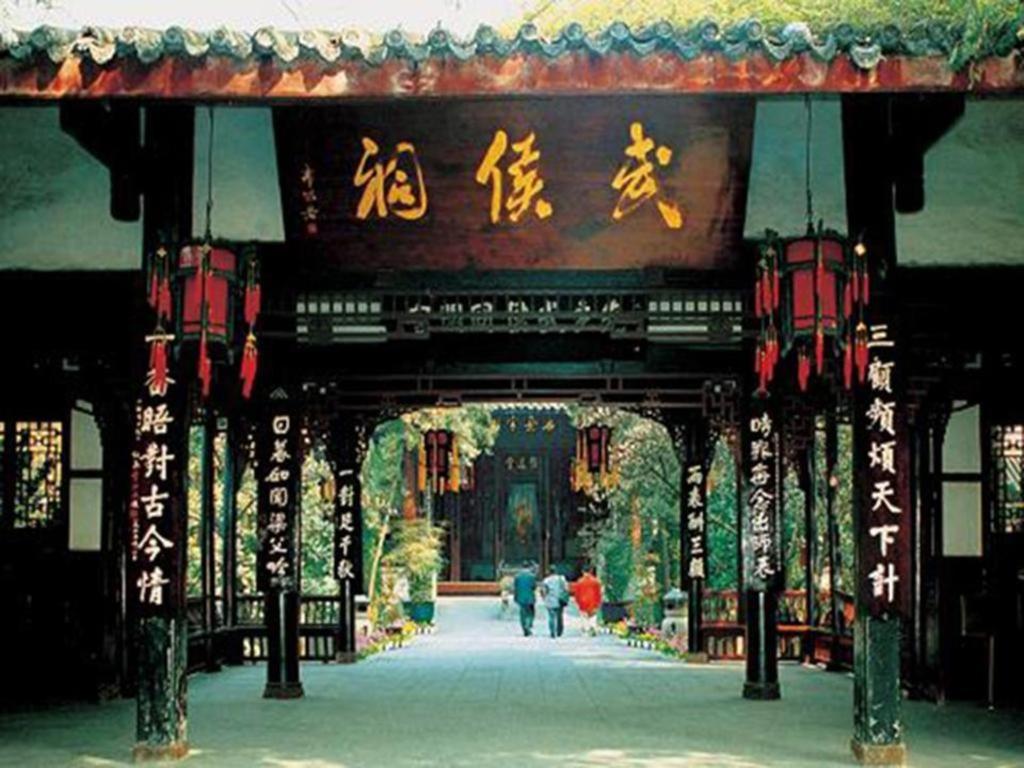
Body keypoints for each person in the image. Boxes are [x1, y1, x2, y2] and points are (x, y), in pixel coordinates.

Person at [572, 567, 603, 635]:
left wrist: (577, 602)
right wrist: (598, 602)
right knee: (593, 616)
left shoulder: (579, 581)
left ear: (583, 572)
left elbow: (577, 594)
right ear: (591, 571)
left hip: (583, 601)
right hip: (593, 601)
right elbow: (599, 593)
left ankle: (586, 629)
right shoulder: (596, 581)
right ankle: (592, 627)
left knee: (584, 616)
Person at [541, 566, 570, 638]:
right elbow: (566, 589)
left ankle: (552, 632)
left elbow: (544, 591)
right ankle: (559, 631)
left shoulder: (546, 580)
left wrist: (544, 598)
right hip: (559, 600)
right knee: (559, 616)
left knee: (551, 616)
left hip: (550, 600)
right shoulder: (561, 579)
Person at [513, 560, 538, 636]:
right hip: (530, 597)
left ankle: (524, 627)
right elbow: (534, 586)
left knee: (522, 613)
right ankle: (528, 624)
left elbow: (515, 587)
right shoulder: (532, 576)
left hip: (520, 597)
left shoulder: (517, 576)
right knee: (531, 612)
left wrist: (516, 596)